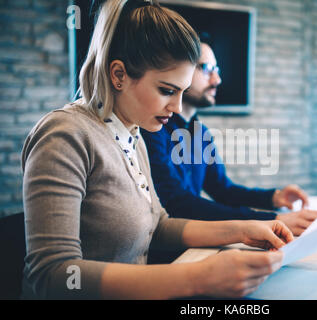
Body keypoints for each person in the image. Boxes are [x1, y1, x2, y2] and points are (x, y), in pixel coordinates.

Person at [21, 0, 293, 299]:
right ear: (119, 75)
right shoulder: (65, 135)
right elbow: (54, 275)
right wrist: (196, 277)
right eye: (167, 90)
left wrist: (242, 230)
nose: (176, 107)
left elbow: (159, 226)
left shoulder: (133, 133)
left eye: (181, 91)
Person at [141, 37, 317, 236]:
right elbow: (177, 203)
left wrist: (272, 198)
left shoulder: (199, 132)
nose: (217, 80)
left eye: (216, 70)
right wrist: (272, 220)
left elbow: (222, 189)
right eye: (207, 68)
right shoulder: (153, 128)